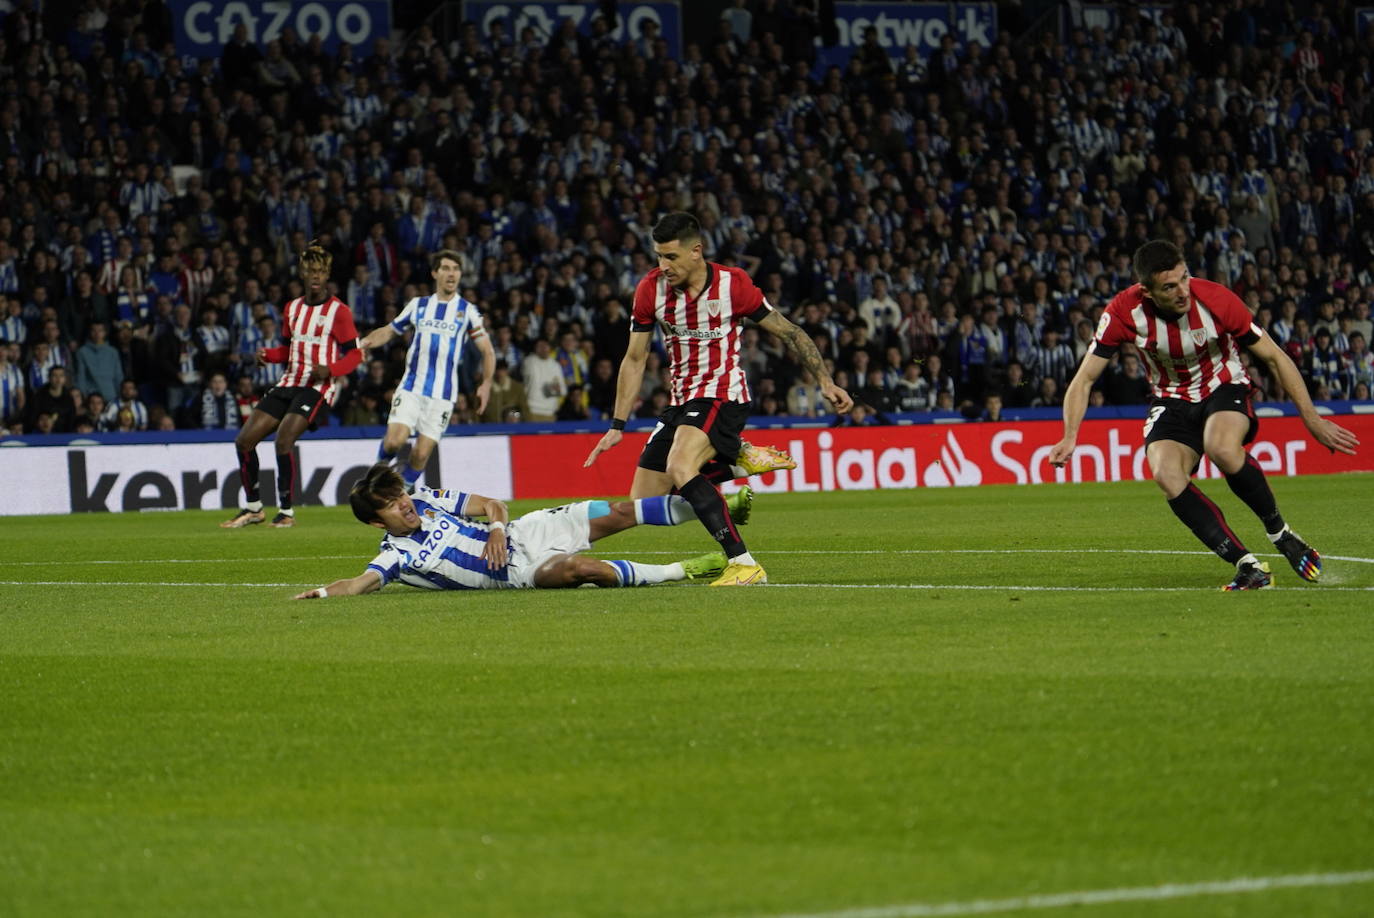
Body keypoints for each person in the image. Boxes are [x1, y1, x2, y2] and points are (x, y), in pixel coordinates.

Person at [1049, 240, 1359, 590]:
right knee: (1165, 473)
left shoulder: (1217, 299)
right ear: (1147, 292)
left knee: (1222, 448)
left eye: (1184, 278)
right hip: (1171, 399)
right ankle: (1248, 566)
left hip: (1224, 385)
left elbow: (1274, 357)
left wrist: (1312, 419)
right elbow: (1085, 378)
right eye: (1170, 286)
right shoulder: (1124, 310)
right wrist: (1070, 435)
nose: (1183, 291)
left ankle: (1280, 532)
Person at [584, 212, 853, 586]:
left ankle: (744, 563)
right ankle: (737, 466)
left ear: (696, 251)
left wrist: (825, 381)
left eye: (671, 257)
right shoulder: (651, 290)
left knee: (680, 465)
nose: (663, 266)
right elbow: (635, 358)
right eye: (658, 256)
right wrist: (617, 425)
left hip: (723, 395)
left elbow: (789, 332)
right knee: (644, 500)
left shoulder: (733, 285)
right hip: (681, 400)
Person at [290, 462, 754, 597]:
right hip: (520, 571)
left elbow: (493, 504)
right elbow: (358, 583)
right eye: (391, 506)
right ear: (377, 521)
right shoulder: (396, 555)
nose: (403, 505)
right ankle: (684, 569)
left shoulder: (427, 498)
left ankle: (714, 506)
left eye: (400, 495)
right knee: (578, 569)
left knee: (620, 510)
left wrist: (495, 528)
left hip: (524, 532)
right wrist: (323, 594)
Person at [221, 243, 362, 528]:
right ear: (302, 272)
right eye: (310, 270)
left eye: (320, 271)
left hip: (316, 387)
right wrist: (268, 356)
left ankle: (286, 511)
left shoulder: (339, 312)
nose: (315, 276)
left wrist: (331, 370)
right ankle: (254, 508)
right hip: (288, 382)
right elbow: (288, 350)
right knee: (244, 441)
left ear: (327, 274)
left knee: (284, 439)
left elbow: (356, 354)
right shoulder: (292, 308)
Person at [359, 250, 495, 491]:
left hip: (443, 396)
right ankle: (374, 481)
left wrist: (486, 384)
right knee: (394, 441)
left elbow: (487, 351)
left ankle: (399, 492)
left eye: (455, 268)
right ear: (435, 273)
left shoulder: (468, 311)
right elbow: (390, 330)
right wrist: (366, 342)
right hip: (412, 387)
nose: (451, 273)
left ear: (460, 274)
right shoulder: (418, 306)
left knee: (420, 455)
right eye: (445, 268)